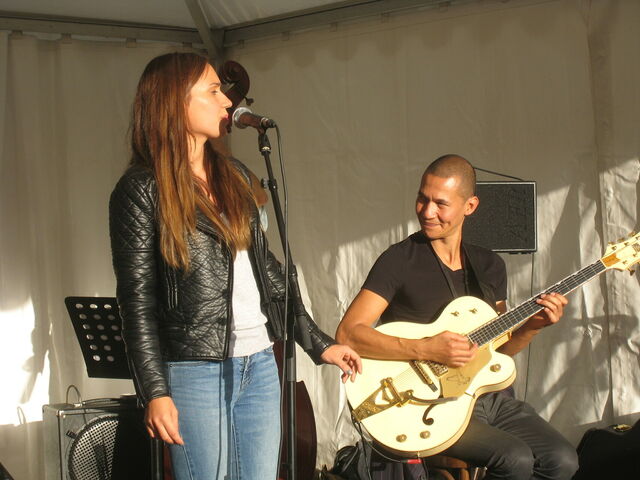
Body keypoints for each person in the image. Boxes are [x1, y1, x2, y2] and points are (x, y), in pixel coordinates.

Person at [109, 52, 362, 480]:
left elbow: (267, 269)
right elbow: (136, 302)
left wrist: (318, 342)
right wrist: (154, 391)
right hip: (194, 368)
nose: (227, 101)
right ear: (174, 102)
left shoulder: (234, 175)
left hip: (259, 361)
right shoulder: (142, 189)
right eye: (212, 91)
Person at [335, 155, 579, 480]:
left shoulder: (489, 266)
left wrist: (534, 326)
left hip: (486, 396)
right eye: (422, 198)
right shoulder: (399, 260)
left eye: (440, 203)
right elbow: (348, 334)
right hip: (428, 403)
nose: (427, 211)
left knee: (562, 460)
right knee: (515, 458)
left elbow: (498, 350)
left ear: (470, 206)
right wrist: (426, 348)